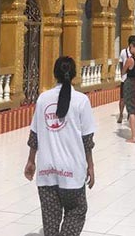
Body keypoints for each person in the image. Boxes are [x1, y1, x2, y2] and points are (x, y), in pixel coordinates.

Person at [25, 57, 96, 236]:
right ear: (73, 75)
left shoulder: (43, 99)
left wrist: (30, 161)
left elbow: (34, 135)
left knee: (50, 221)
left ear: (54, 74)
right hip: (72, 171)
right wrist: (91, 166)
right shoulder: (81, 101)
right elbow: (87, 140)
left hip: (47, 171)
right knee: (76, 211)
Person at [117, 41, 131, 124]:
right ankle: (129, 113)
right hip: (130, 79)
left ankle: (121, 114)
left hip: (124, 78)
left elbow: (121, 63)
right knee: (129, 98)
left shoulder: (123, 52)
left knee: (122, 98)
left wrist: (122, 73)